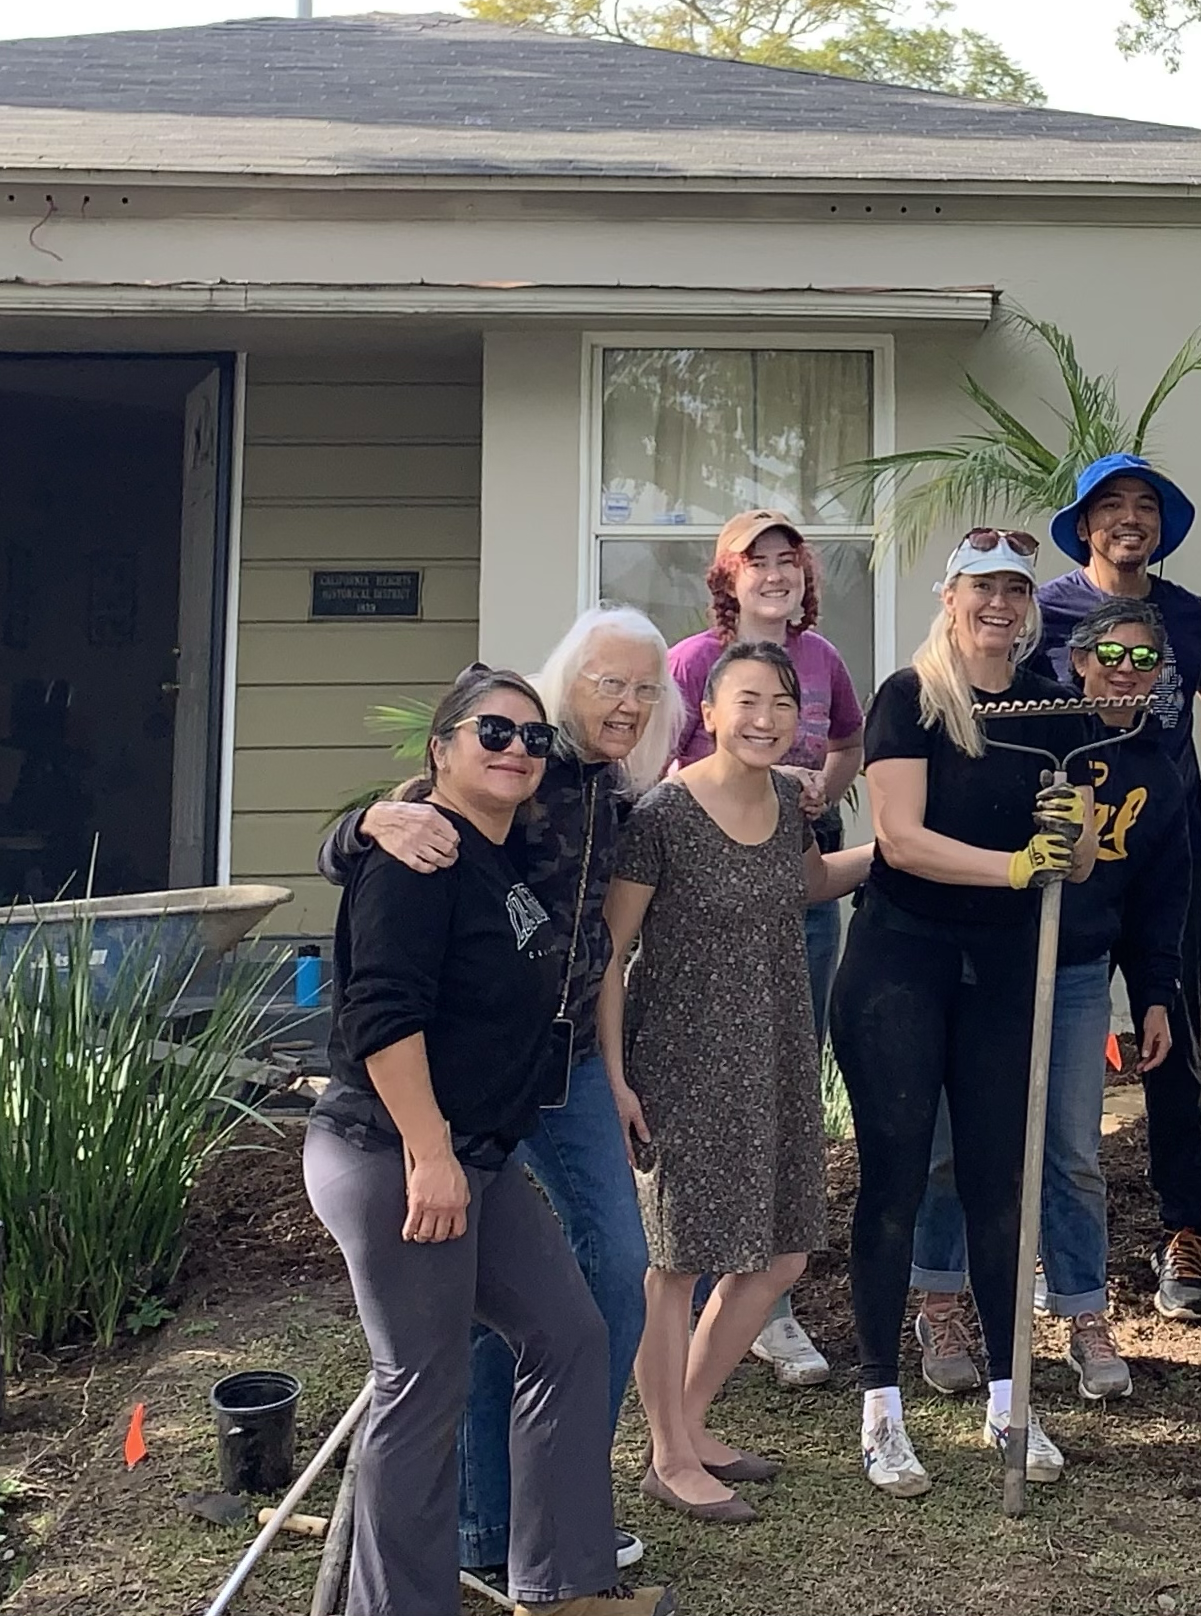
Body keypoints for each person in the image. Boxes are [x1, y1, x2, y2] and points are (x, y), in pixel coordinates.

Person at [304, 666, 674, 1616]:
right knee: (420, 1385)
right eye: (491, 733)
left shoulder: (502, 853)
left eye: (531, 738)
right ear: (441, 750)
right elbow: (382, 1016)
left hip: (473, 1154)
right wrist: (428, 1154)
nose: (515, 749)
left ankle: (562, 1586)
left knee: (569, 1332)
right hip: (393, 1150)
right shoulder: (416, 853)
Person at [838, 528, 1091, 1496]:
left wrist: (1066, 847)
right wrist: (1015, 866)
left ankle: (1008, 1398)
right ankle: (881, 1409)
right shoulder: (910, 699)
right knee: (898, 1182)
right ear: (949, 597)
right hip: (902, 964)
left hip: (1002, 967)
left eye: (1015, 593)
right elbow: (900, 839)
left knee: (999, 1187)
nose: (1000, 606)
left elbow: (1079, 860)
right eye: (982, 588)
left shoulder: (1051, 711)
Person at [597, 641, 873, 1522]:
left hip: (775, 1051)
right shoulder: (664, 814)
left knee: (782, 1250)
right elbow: (609, 955)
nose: (765, 718)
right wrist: (613, 1076)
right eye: (746, 701)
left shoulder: (795, 802)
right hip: (676, 1061)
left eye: (782, 702)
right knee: (674, 1264)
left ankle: (690, 1421)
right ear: (707, 713)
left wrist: (889, 850)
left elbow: (805, 884)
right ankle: (669, 1455)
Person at [904, 596, 1194, 1403]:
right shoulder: (1029, 726)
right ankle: (940, 1300)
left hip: (1074, 972)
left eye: (1144, 661)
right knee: (954, 1142)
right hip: (984, 959)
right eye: (1110, 655)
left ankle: (1081, 1313)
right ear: (1076, 659)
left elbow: (1159, 898)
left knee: (1070, 1152)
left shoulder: (1155, 772)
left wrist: (1155, 995)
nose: (1123, 673)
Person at [662, 508, 865, 1389]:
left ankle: (766, 1308)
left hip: (799, 892)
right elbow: (655, 775)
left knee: (784, 1085)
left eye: (789, 560)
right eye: (757, 561)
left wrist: (819, 786)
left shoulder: (823, 661)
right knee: (711, 1104)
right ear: (728, 576)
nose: (775, 574)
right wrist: (737, 782)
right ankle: (709, 1292)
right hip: (707, 916)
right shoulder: (688, 663)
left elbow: (851, 741)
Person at [1035, 453, 1201, 1323]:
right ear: (1082, 525)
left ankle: (1183, 1231)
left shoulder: (1189, 617)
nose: (1128, 518)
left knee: (1171, 1042)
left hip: (1162, 856)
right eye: (1109, 505)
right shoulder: (1042, 614)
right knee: (1045, 1052)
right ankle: (1054, 1247)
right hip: (1064, 867)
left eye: (1145, 506)